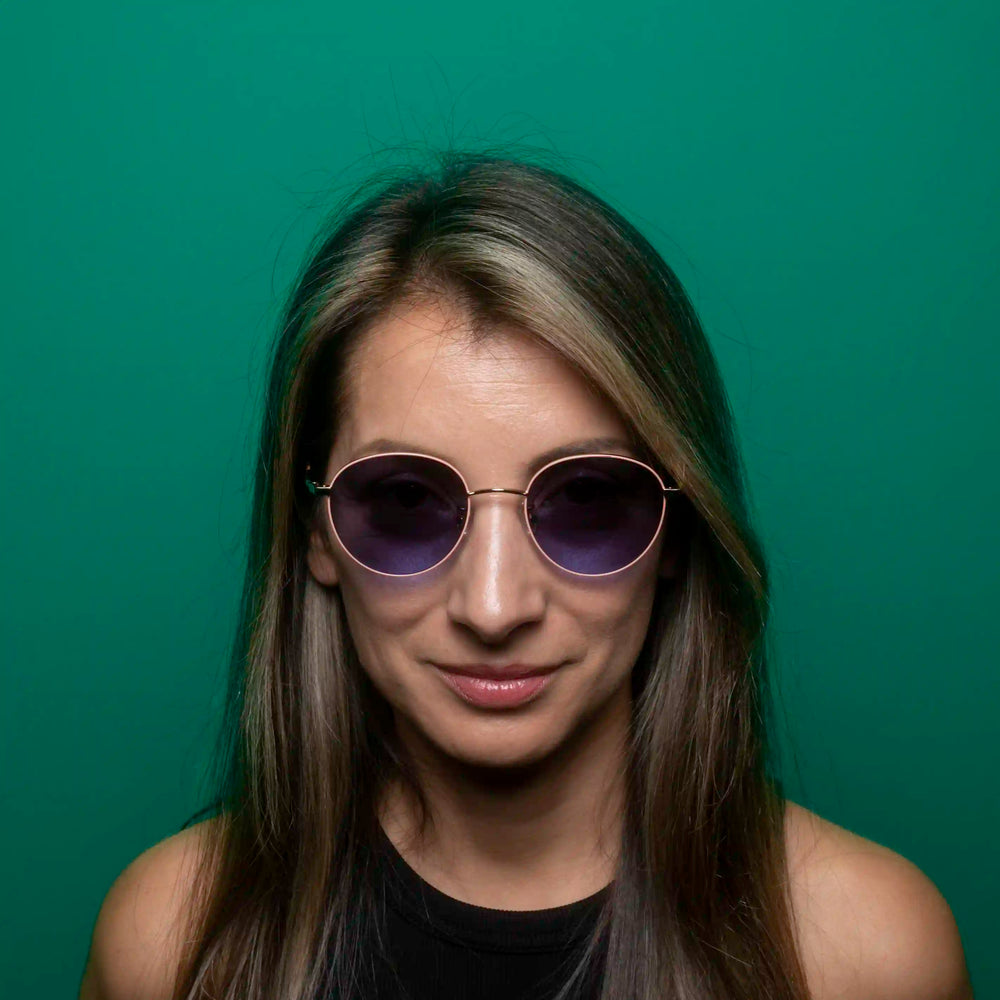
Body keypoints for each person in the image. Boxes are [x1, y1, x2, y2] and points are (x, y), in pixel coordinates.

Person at [79, 151, 973, 1000]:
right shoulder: (171, 944)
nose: (495, 606)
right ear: (315, 531)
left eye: (588, 500)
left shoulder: (864, 953)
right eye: (405, 501)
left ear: (678, 529)